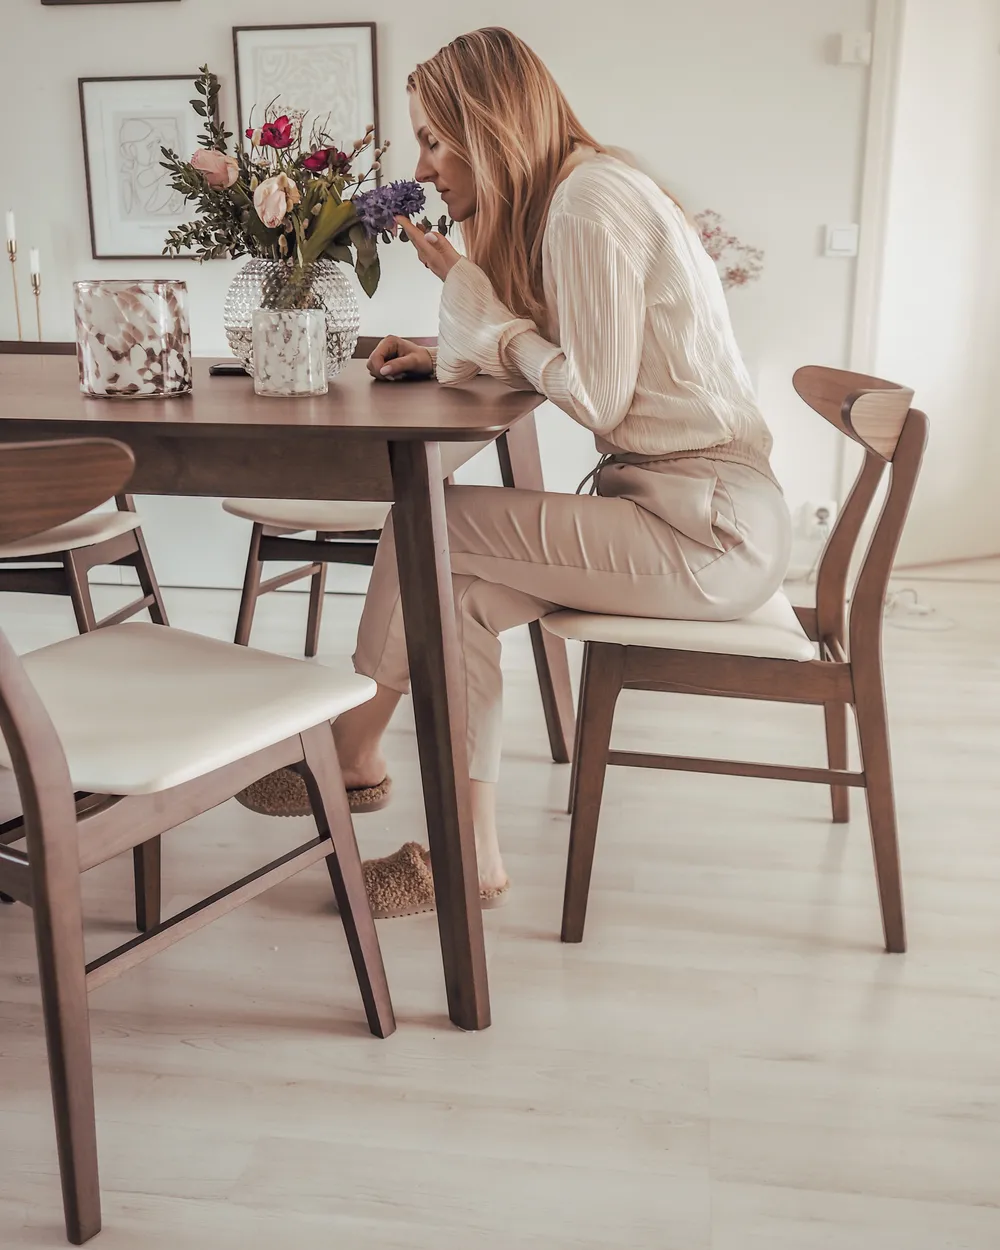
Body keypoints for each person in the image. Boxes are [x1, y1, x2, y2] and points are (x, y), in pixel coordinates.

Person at [239, 26, 791, 919]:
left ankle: (352, 747)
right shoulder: (579, 193)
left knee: (429, 521)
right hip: (687, 511)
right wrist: (463, 339)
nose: (423, 167)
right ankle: (469, 854)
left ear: (488, 126)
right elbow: (579, 358)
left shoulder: (587, 204)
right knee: (457, 593)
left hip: (709, 529)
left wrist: (489, 323)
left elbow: (599, 397)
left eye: (433, 139)